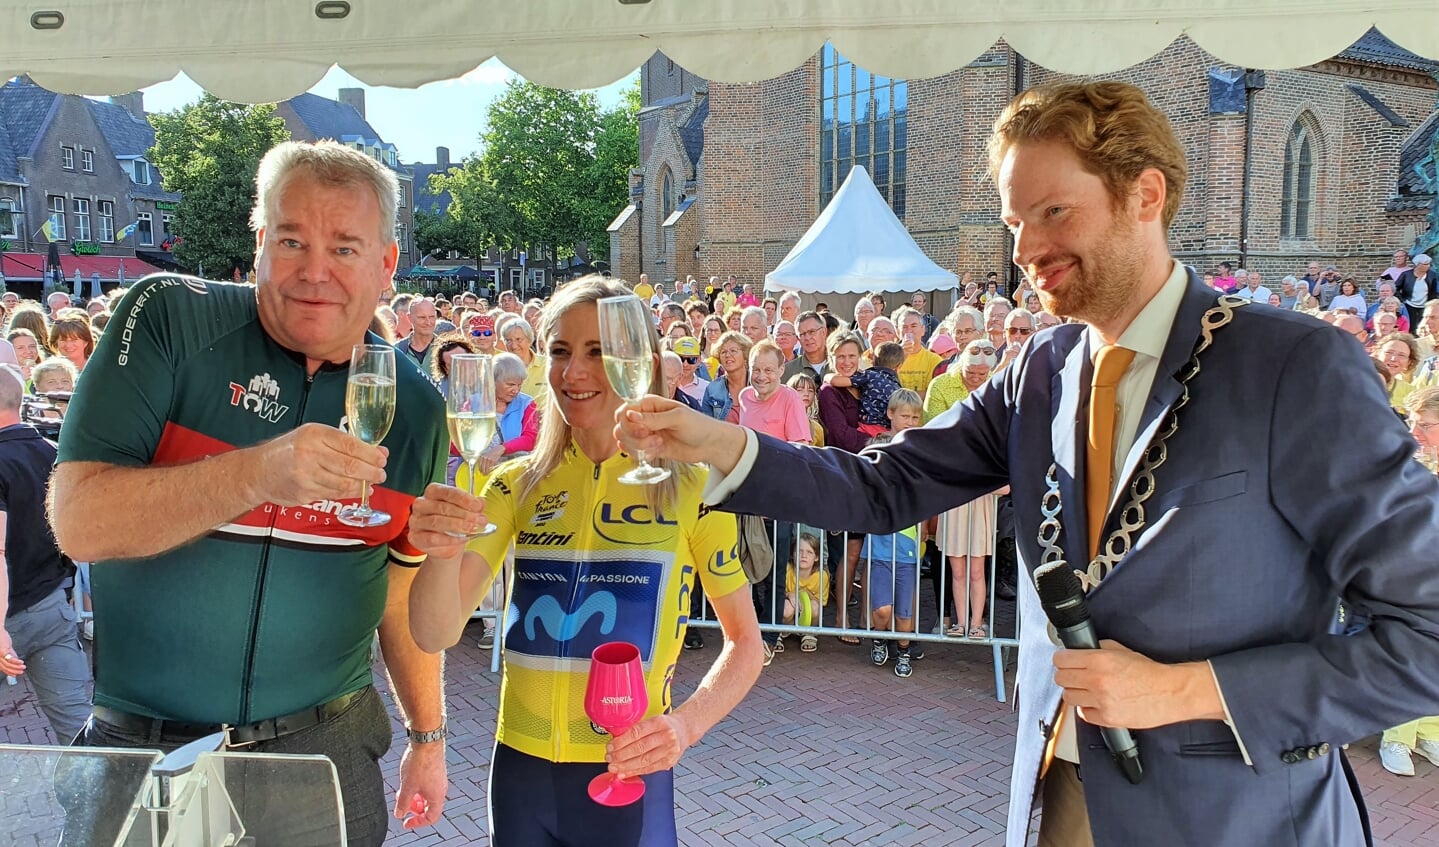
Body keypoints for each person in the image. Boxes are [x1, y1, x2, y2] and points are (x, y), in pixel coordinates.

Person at [615, 80, 1439, 847]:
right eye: (1014, 223)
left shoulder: (1293, 366)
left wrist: (1188, 690)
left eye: (1052, 211)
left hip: (1239, 816)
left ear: (1143, 196)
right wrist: (719, 443)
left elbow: (1425, 638)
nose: (1026, 250)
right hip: (1060, 801)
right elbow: (883, 485)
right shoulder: (1041, 370)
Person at [48, 140, 451, 844]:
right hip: (146, 750)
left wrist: (429, 734)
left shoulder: (412, 406)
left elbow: (394, 591)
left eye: (346, 247)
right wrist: (259, 472)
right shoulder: (170, 317)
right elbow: (78, 522)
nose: (315, 272)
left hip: (325, 750)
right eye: (291, 239)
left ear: (387, 263)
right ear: (259, 240)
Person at [404, 276, 763, 846]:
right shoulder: (514, 484)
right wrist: (441, 551)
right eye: (561, 351)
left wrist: (685, 727)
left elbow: (747, 643)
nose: (574, 372)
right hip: (520, 769)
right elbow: (433, 630)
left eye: (597, 351)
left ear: (636, 361)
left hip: (628, 771)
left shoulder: (693, 486)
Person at [0, 364, 93, 743]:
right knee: (79, 731)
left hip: (11, 617)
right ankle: (108, 803)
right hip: (50, 608)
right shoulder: (54, 454)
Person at [829, 341, 903, 437]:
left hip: (869, 426)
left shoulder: (869, 375)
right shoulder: (897, 385)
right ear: (899, 367)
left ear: (872, 360)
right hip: (890, 429)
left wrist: (828, 377)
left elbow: (836, 381)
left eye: (852, 356)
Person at [782, 532, 829, 653]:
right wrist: (789, 595)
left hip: (807, 610)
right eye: (799, 551)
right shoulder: (787, 570)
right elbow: (777, 593)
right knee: (785, 608)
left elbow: (821, 603)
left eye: (809, 552)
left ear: (817, 557)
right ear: (793, 554)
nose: (804, 556)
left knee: (814, 607)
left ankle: (809, 632)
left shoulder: (821, 576)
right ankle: (783, 630)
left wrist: (805, 597)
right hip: (792, 608)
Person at [1396, 253, 1435, 331]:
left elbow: (1434, 291)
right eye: (1425, 264)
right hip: (1409, 304)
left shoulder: (1432, 275)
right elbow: (1396, 288)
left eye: (1428, 264)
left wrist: (1432, 302)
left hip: (1425, 304)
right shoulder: (1406, 275)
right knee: (1411, 325)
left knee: (1424, 325)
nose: (1428, 266)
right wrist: (1403, 300)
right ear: (1418, 265)